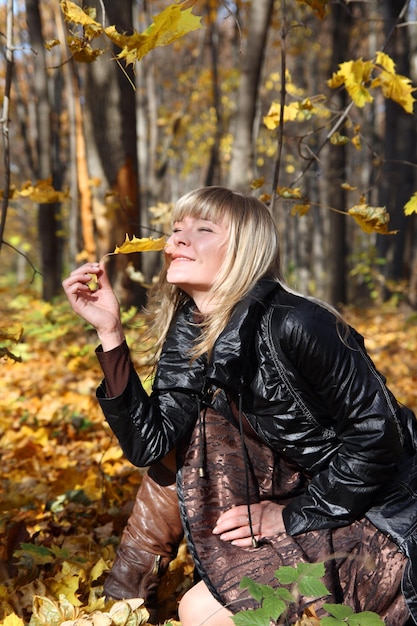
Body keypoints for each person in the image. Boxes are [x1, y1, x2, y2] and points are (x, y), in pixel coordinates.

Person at [63, 186, 417, 626]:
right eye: (175, 231)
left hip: (374, 510)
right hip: (299, 493)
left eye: (202, 229)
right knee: (191, 431)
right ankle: (122, 600)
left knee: (198, 611)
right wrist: (110, 333)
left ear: (244, 250)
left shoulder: (299, 323)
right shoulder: (192, 330)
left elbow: (379, 442)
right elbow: (151, 446)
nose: (177, 241)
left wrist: (288, 515)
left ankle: (123, 599)